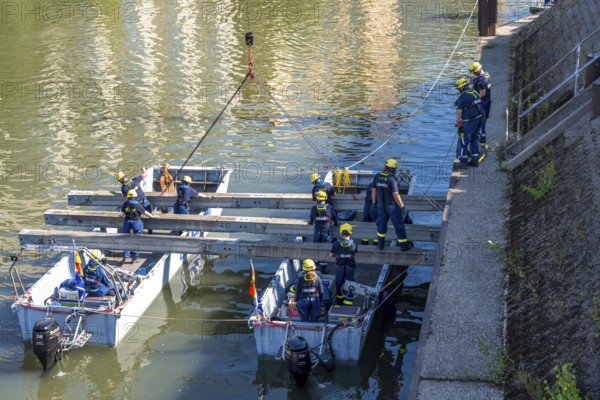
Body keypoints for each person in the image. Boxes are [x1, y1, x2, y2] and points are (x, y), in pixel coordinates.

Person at [372, 159, 414, 251]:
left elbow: (374, 190)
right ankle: (403, 245)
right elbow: (396, 194)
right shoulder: (392, 179)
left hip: (381, 205)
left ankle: (380, 245)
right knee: (398, 224)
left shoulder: (377, 176)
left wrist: (374, 202)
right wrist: (402, 206)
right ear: (392, 168)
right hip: (392, 206)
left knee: (381, 225)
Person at [455, 77, 483, 167]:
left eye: (459, 88)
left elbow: (459, 111)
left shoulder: (463, 96)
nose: (459, 90)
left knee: (463, 141)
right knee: (475, 139)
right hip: (478, 120)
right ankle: (475, 160)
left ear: (461, 87)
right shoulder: (475, 92)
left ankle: (463, 161)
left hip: (468, 122)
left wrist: (458, 122)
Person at [121, 189, 155, 262]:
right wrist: (152, 216)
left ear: (128, 197)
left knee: (126, 239)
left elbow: (122, 214)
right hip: (136, 222)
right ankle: (135, 257)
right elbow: (145, 212)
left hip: (127, 222)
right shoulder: (138, 204)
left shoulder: (125, 204)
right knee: (137, 239)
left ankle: (126, 256)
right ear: (135, 196)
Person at [329, 223, 358, 305]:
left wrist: (337, 255)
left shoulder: (336, 243)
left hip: (339, 268)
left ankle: (339, 304)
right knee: (349, 285)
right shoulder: (354, 244)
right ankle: (348, 305)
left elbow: (331, 254)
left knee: (339, 285)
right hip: (350, 268)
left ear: (341, 233)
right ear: (350, 232)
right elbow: (354, 252)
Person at [470, 62, 492, 148]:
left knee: (480, 120)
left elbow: (482, 94)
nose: (473, 74)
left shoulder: (480, 81)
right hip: (487, 101)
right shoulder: (486, 75)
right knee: (484, 118)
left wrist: (472, 100)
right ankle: (482, 137)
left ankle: (481, 140)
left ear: (478, 70)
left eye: (474, 72)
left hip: (482, 103)